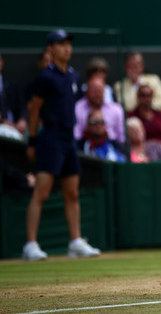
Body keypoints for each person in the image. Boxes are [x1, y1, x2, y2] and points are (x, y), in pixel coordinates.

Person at [23, 29, 100, 261]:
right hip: (50, 139)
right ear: (50, 48)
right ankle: (30, 244)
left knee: (72, 193)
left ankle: (75, 242)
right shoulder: (46, 77)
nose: (67, 48)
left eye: (68, 43)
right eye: (61, 44)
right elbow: (34, 109)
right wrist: (33, 140)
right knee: (42, 192)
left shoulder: (74, 76)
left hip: (69, 139)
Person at [74, 76, 125, 144]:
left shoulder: (117, 109)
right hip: (84, 147)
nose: (97, 94)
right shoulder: (78, 107)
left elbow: (121, 138)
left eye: (100, 91)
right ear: (87, 91)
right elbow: (76, 135)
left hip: (112, 147)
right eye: (94, 91)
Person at [127, 84, 161, 152]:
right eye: (143, 95)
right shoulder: (130, 116)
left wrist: (158, 149)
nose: (146, 98)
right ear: (137, 97)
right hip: (140, 152)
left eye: (149, 95)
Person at [0, 52, 27, 135]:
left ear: (2, 62)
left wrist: (22, 119)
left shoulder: (12, 83)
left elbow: (22, 105)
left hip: (16, 128)